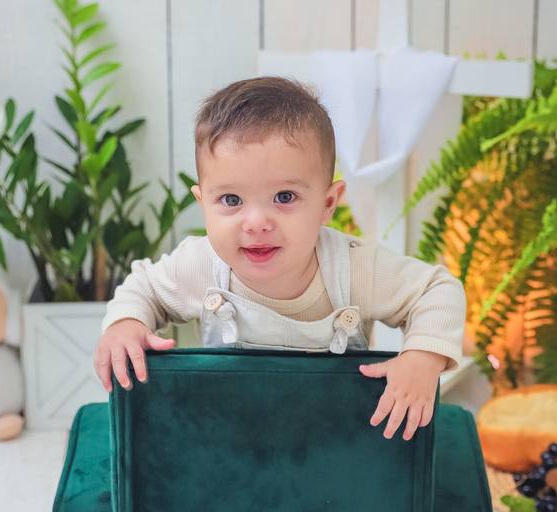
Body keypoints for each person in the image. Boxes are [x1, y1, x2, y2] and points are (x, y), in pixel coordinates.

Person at [94, 76, 466, 442]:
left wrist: (421, 358)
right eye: (231, 200)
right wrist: (125, 324)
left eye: (284, 197)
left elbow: (437, 290)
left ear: (328, 203)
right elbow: (144, 288)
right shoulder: (202, 264)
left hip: (333, 434)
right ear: (203, 203)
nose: (256, 223)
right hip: (230, 433)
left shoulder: (352, 268)